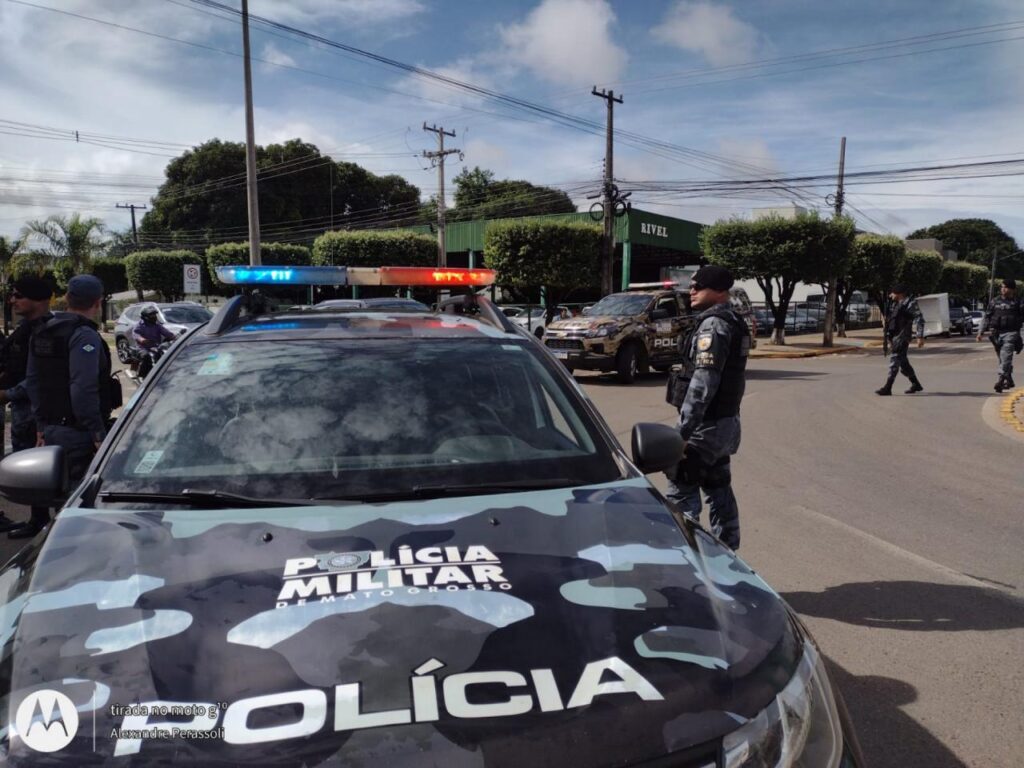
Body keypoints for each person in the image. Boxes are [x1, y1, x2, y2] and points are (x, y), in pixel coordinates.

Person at [664, 265, 750, 550]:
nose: (691, 291)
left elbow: (704, 382)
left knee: (681, 484)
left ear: (718, 291)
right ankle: (728, 556)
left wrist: (682, 433)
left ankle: (687, 560)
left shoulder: (714, 325)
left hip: (706, 427)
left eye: (697, 287)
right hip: (723, 425)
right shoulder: (732, 320)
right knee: (718, 488)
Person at [25, 275, 114, 519]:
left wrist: (41, 424)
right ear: (98, 302)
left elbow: (33, 381)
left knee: (63, 502)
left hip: (51, 428)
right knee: (79, 505)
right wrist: (98, 435)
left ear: (66, 298)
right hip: (79, 433)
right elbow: (83, 387)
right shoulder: (84, 335)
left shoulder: (42, 330)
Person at [0, 277, 54, 537]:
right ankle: (38, 520)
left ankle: (45, 524)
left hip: (36, 412)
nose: (13, 300)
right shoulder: (25, 329)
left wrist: (6, 394)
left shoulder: (46, 330)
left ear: (38, 299)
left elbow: (37, 379)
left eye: (18, 295)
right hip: (22, 410)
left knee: (39, 469)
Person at [876, 283, 925, 396]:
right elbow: (893, 320)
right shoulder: (896, 304)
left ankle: (888, 387)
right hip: (895, 336)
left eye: (892, 293)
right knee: (903, 363)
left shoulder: (910, 304)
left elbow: (920, 319)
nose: (890, 295)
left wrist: (920, 336)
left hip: (902, 337)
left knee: (894, 360)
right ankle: (916, 384)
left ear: (899, 293)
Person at [977, 279, 1023, 392]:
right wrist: (980, 332)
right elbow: (987, 317)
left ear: (1012, 289)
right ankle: (1009, 379)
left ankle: (1001, 379)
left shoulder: (1018, 302)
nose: (1003, 289)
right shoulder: (994, 301)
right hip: (996, 334)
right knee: (1002, 359)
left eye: (1006, 287)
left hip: (1011, 333)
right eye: (1002, 287)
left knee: (1006, 356)